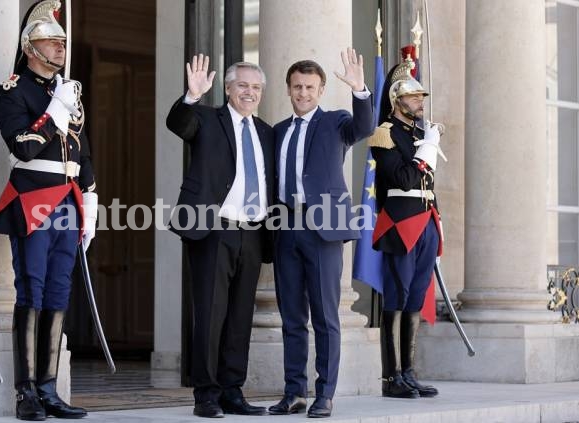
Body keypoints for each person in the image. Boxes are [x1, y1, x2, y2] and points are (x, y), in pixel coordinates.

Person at [0, 0, 97, 420]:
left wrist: (90, 198)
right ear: (30, 47)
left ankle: (49, 389)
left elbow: (81, 151)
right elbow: (24, 147)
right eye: (51, 42)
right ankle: (26, 392)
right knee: (30, 291)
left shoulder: (68, 91)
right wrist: (54, 111)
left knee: (57, 294)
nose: (60, 49)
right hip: (34, 197)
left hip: (68, 200)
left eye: (62, 43)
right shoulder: (13, 91)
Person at [166, 54, 274, 418]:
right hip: (214, 229)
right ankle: (206, 395)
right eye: (242, 85)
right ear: (228, 88)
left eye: (256, 87)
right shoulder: (208, 119)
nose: (249, 92)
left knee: (240, 316)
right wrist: (192, 96)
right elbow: (177, 124)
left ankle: (232, 390)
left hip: (253, 233)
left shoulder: (265, 132)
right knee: (210, 315)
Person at [268, 51, 374, 419]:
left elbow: (365, 128)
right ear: (288, 89)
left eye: (310, 87)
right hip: (286, 227)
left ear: (321, 89)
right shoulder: (278, 130)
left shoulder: (336, 122)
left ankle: (324, 394)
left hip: (323, 229)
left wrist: (360, 88)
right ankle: (294, 392)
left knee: (325, 316)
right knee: (291, 316)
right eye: (297, 87)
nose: (303, 93)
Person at [368, 50, 444, 399]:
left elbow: (427, 186)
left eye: (421, 96)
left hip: (426, 220)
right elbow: (403, 176)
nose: (420, 101)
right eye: (414, 96)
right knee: (396, 297)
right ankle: (390, 377)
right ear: (397, 100)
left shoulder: (419, 133)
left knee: (415, 295)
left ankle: (409, 372)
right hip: (401, 223)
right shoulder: (385, 134)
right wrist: (425, 152)